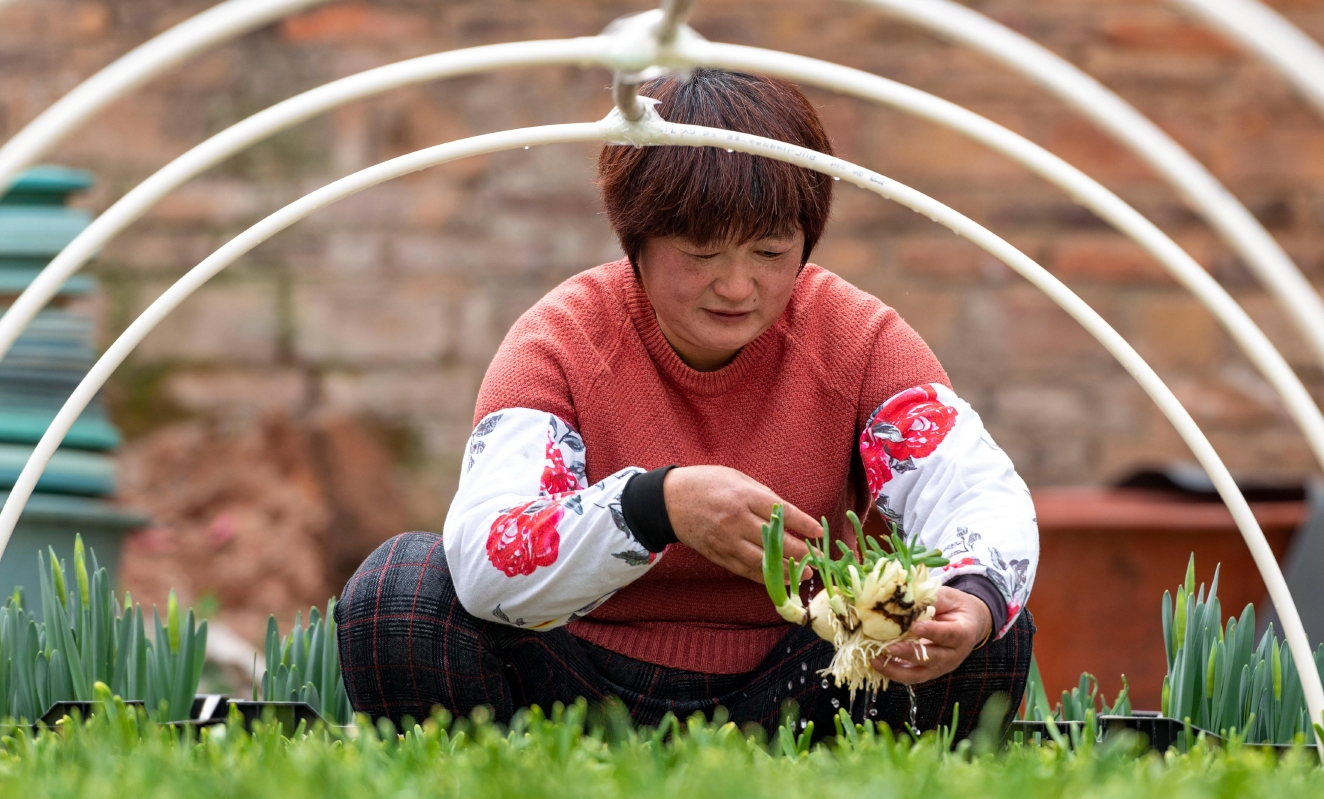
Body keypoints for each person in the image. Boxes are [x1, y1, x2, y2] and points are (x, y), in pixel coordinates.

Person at [337, 69, 1038, 735]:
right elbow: (490, 560)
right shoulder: (561, 341)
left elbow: (977, 498)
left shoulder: (858, 339)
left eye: (769, 253)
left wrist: (969, 602)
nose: (737, 287)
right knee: (400, 594)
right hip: (574, 680)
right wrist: (655, 507)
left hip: (804, 684)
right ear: (636, 241)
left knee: (986, 620)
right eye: (702, 254)